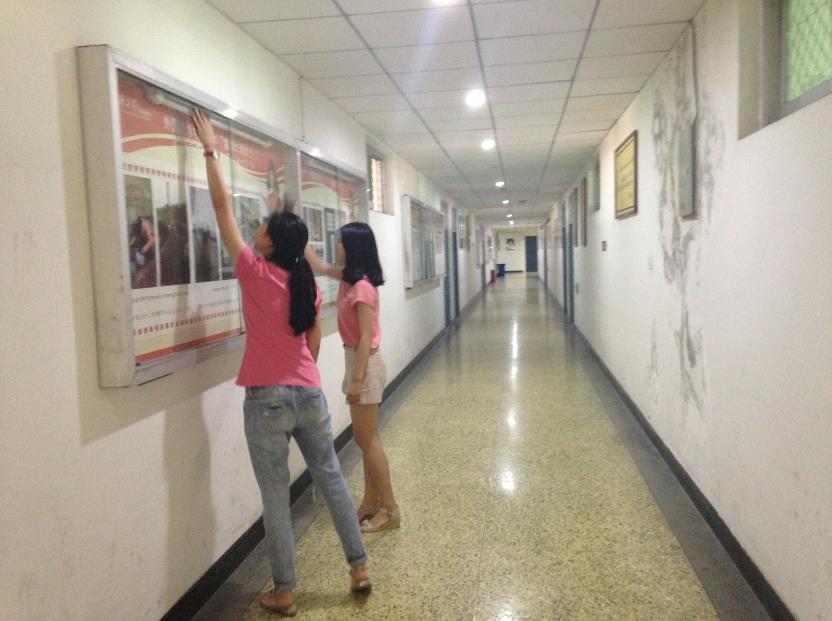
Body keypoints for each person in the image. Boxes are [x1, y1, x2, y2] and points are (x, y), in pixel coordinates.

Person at [192, 110, 371, 617]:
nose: (255, 229)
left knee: (275, 496)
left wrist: (211, 151)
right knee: (331, 478)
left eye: (263, 228)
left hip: (267, 398)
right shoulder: (304, 284)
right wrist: (297, 375)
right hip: (309, 392)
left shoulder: (254, 271)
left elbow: (222, 206)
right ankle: (359, 566)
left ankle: (285, 591)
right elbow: (311, 343)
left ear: (269, 243)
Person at [305, 222, 400, 533]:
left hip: (365, 364)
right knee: (366, 439)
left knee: (367, 440)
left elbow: (366, 337)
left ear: (354, 247)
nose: (336, 246)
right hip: (357, 362)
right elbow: (319, 266)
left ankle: (390, 508)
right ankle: (371, 501)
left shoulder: (361, 288)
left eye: (340, 242)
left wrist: (357, 380)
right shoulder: (349, 278)